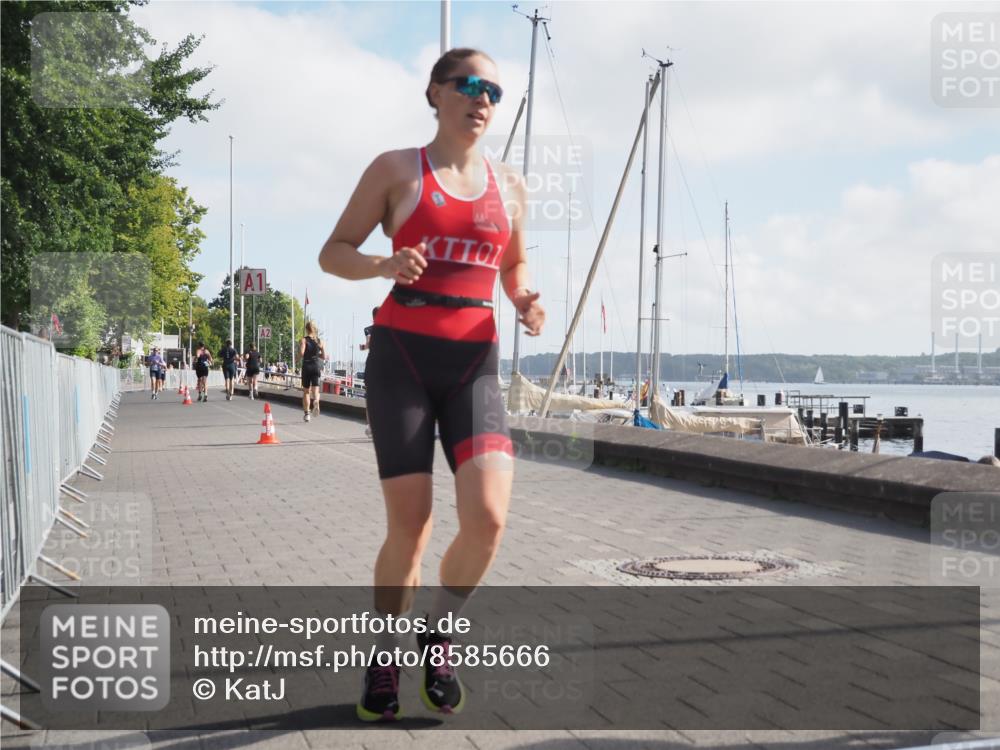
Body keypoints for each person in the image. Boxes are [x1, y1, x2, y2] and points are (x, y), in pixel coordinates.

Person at [319, 47, 544, 722]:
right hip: (403, 359)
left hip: (475, 361)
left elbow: (515, 262)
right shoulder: (396, 169)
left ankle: (438, 634)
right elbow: (333, 253)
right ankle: (387, 654)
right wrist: (386, 264)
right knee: (412, 527)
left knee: (489, 519)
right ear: (435, 92)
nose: (483, 100)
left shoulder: (510, 186)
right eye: (470, 86)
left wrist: (525, 297)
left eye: (495, 93)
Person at [358, 306, 379, 438]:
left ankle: (370, 425)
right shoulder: (388, 329)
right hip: (386, 364)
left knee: (370, 396)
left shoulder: (368, 330)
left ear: (373, 316)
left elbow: (369, 343)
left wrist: (363, 347)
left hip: (373, 364)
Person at [299, 321, 325, 421]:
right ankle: (316, 400)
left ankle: (307, 415)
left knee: (306, 391)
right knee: (316, 390)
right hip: (315, 366)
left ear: (306, 329)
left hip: (306, 365)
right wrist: (317, 355)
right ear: (314, 329)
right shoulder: (320, 341)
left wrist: (297, 357)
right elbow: (323, 356)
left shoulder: (304, 340)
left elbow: (301, 353)